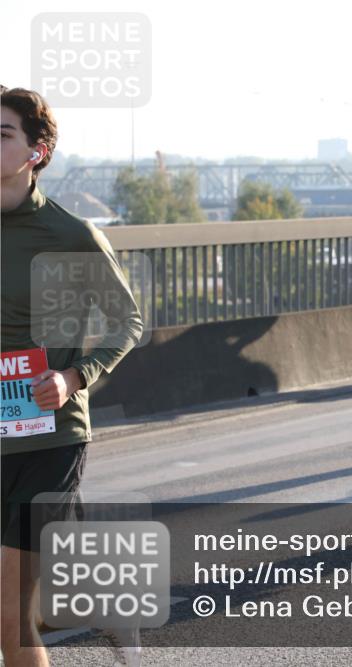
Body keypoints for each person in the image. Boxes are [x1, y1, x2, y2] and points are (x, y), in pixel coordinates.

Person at [1, 87, 144, 666]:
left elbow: (127, 321)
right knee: (29, 605)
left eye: (2, 134)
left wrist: (73, 377)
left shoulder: (70, 235)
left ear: (35, 152)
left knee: (9, 614)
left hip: (50, 435)